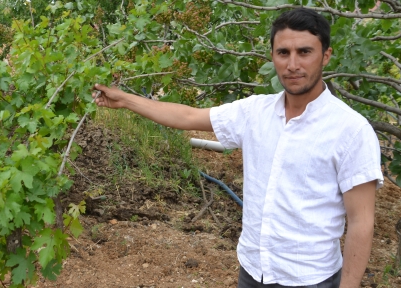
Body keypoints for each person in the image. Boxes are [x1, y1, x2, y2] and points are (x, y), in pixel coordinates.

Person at [93, 8, 383, 288]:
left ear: (326, 56)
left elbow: (361, 222)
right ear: (273, 56)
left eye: (304, 52)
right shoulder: (255, 112)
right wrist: (125, 100)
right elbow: (188, 116)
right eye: (283, 53)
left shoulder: (350, 130)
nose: (293, 64)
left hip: (309, 279)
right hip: (253, 272)